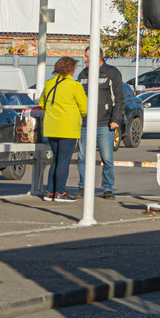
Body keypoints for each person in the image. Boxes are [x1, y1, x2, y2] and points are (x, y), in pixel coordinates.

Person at [78, 46, 126, 200]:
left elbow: (119, 99)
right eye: (84, 56)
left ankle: (107, 188)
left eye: (87, 57)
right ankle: (83, 186)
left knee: (107, 157)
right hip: (86, 124)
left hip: (105, 124)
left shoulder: (111, 73)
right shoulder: (82, 74)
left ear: (96, 57)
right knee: (83, 157)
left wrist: (115, 120)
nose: (84, 60)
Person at [39, 56, 86, 202]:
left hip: (51, 127)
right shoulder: (75, 86)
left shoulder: (49, 83)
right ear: (71, 70)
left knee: (56, 159)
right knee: (64, 161)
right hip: (68, 128)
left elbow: (42, 103)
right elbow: (84, 108)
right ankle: (60, 192)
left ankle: (49, 191)